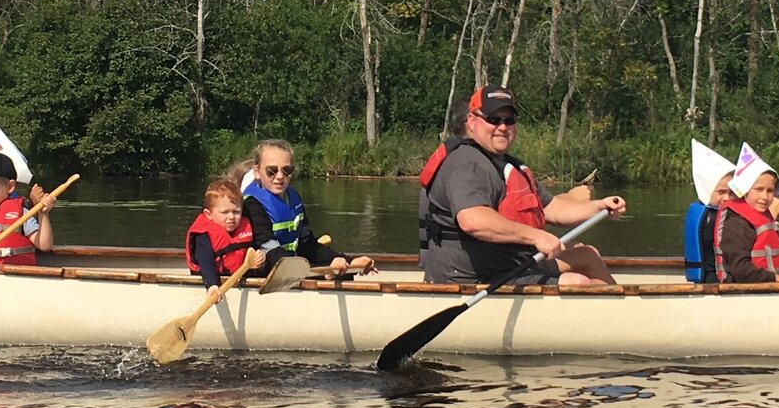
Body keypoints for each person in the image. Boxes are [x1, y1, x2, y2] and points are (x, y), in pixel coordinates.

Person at [417, 86, 624, 291]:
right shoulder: (467, 164)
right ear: (472, 122)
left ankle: (621, 315)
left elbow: (553, 208)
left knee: (586, 254)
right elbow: (473, 220)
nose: (502, 127)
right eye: (494, 119)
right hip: (471, 277)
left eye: (509, 120)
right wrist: (536, 236)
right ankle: (614, 318)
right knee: (577, 283)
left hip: (508, 265)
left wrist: (599, 207)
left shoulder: (506, 164)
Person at [240, 139, 373, 285]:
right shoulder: (252, 205)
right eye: (271, 170)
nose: (279, 176)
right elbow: (270, 252)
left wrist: (344, 260)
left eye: (287, 170)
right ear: (257, 172)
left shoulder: (293, 199)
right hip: (265, 269)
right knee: (335, 275)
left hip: (289, 266)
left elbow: (307, 245)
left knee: (344, 273)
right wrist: (324, 273)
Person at [712, 143, 779, 283]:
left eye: (770, 190)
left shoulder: (761, 216)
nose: (765, 197)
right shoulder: (736, 222)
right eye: (759, 189)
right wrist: (775, 278)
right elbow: (740, 269)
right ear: (745, 190)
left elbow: (766, 260)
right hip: (742, 290)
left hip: (764, 284)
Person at [185, 179, 260, 291]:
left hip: (238, 278)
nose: (231, 217)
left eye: (236, 212)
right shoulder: (203, 236)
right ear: (208, 214)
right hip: (213, 282)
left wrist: (259, 259)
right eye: (225, 212)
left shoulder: (245, 226)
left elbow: (250, 252)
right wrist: (212, 284)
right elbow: (206, 261)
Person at [685, 139, 735, 283]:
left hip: (706, 279)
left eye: (731, 192)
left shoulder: (702, 212)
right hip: (716, 282)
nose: (727, 198)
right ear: (706, 192)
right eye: (721, 192)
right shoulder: (714, 218)